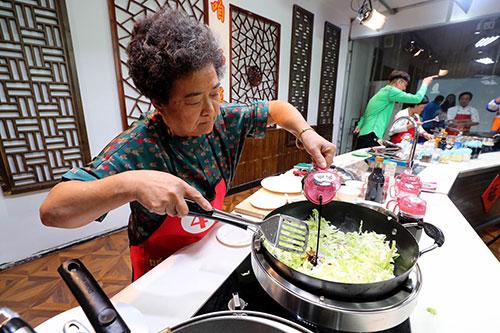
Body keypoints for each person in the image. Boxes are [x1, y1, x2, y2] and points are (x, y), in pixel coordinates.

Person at [39, 10, 336, 280]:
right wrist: (129, 183)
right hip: (159, 271)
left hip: (208, 254)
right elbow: (53, 210)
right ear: (159, 104)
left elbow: (277, 109)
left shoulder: (224, 120)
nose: (211, 110)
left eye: (215, 93)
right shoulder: (140, 146)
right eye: (194, 100)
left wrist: (306, 133)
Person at [353, 70, 436, 149]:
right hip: (371, 133)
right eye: (404, 85)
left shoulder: (382, 92)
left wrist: (360, 125)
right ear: (399, 82)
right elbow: (417, 99)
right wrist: (425, 83)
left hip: (366, 133)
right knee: (365, 161)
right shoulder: (391, 91)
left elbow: (368, 112)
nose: (404, 89)